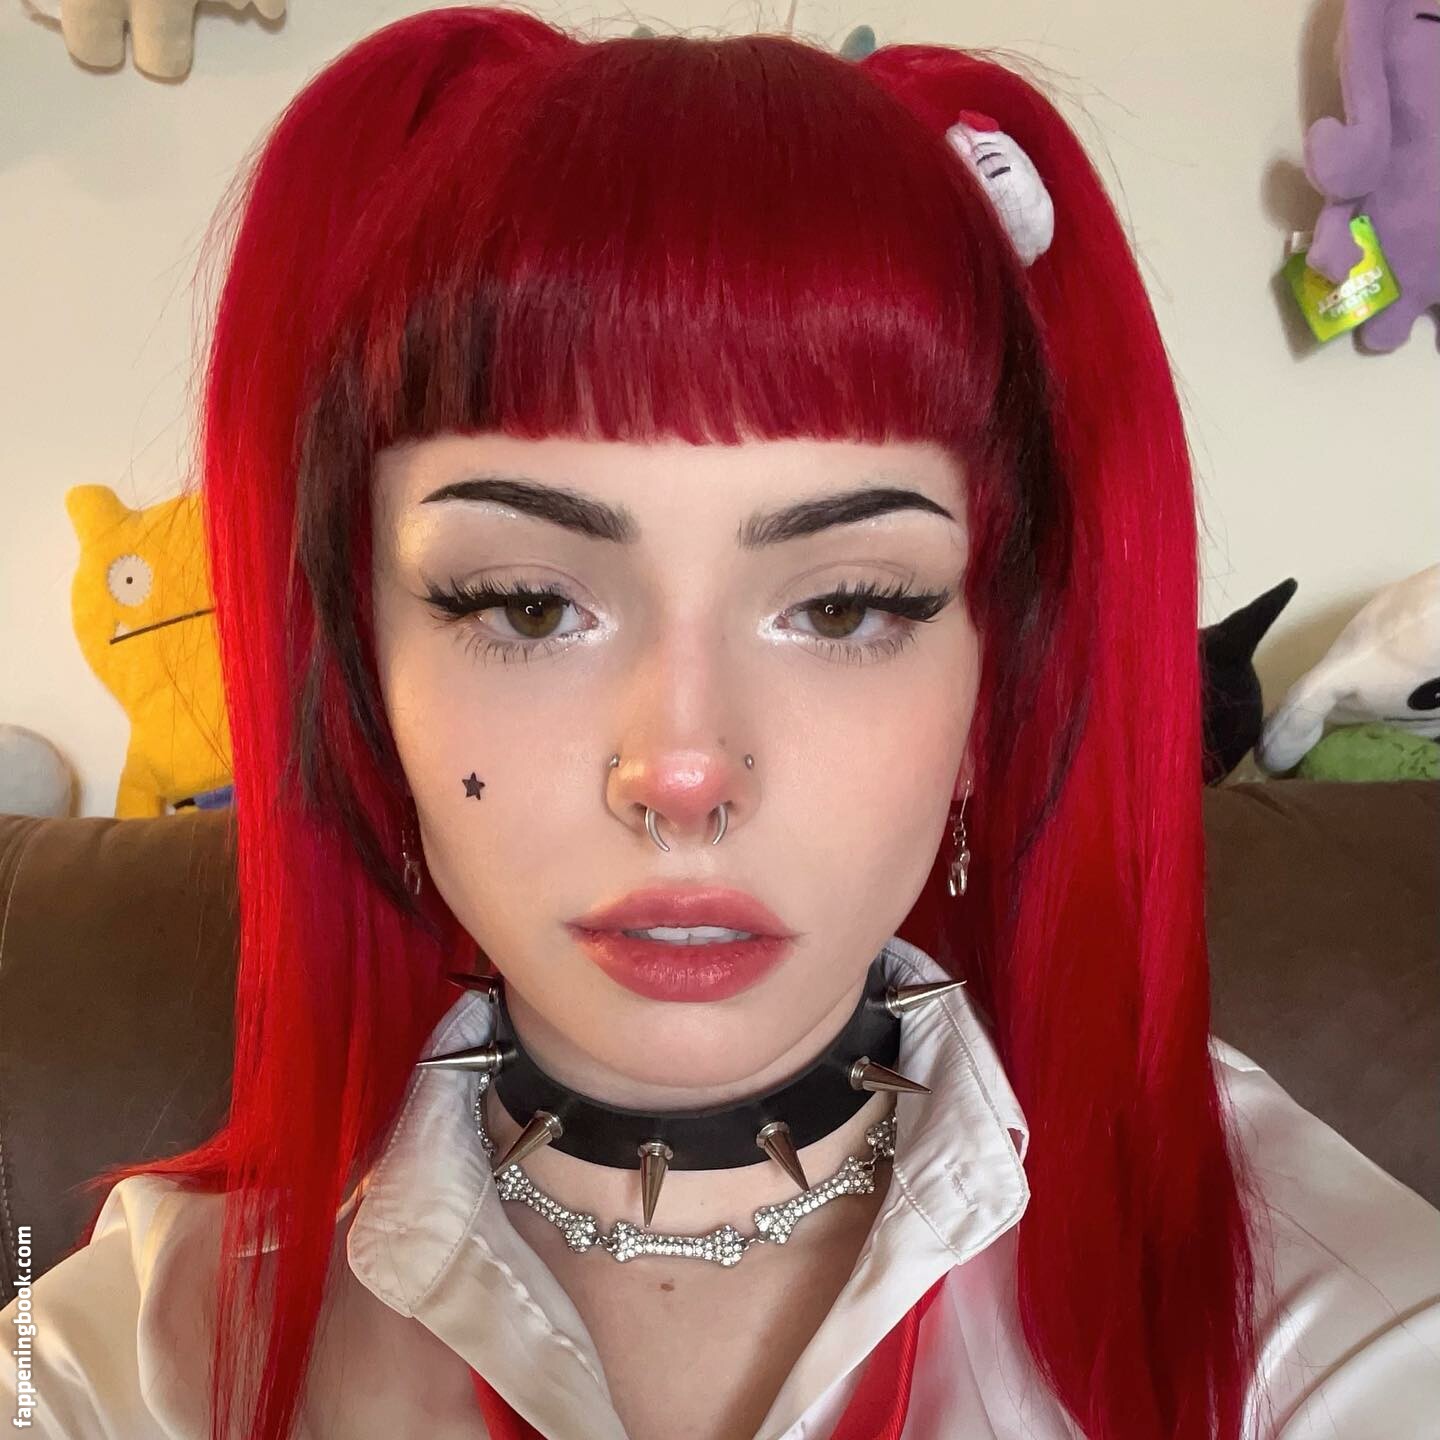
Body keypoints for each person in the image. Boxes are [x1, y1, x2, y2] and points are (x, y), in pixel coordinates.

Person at [4, 7, 1439, 1439]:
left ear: (991, 692)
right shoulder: (126, 1361)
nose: (683, 774)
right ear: (365, 674)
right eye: (526, 607)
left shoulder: (1319, 1312)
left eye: (846, 606)